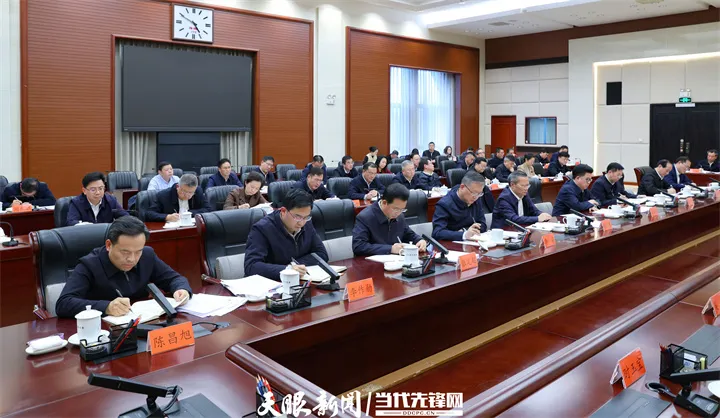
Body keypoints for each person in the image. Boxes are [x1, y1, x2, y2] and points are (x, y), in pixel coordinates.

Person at [55, 216, 192, 318]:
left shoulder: (147, 256)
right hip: (105, 332)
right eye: (125, 252)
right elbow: (64, 304)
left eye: (138, 251)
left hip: (143, 323)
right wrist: (106, 307)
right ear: (109, 245)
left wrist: (181, 289)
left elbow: (174, 278)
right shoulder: (89, 265)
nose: (132, 259)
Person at [244, 189, 328, 281]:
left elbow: (322, 254)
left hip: (299, 281)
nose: (302, 223)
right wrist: (287, 269)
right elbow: (251, 266)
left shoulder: (306, 223)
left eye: (306, 217)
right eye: (297, 217)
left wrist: (295, 266)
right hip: (271, 284)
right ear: (283, 211)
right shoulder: (262, 229)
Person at [352, 184, 428, 256]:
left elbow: (408, 233)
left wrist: (419, 240)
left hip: (396, 261)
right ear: (384, 202)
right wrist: (390, 249)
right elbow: (358, 246)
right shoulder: (365, 217)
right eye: (396, 209)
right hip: (371, 262)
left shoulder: (399, 215)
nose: (398, 213)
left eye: (402, 209)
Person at [432, 171, 487, 241]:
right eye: (473, 193)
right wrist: (464, 234)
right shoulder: (444, 204)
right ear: (462, 187)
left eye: (479, 193)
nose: (476, 197)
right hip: (451, 244)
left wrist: (469, 231)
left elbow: (483, 224)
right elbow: (437, 233)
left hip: (473, 241)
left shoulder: (476, 198)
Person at [145, 174, 211, 222]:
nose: (187, 196)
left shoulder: (198, 191)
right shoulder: (163, 195)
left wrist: (189, 213)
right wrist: (167, 217)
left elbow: (208, 209)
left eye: (191, 193)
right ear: (177, 187)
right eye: (184, 192)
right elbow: (149, 214)